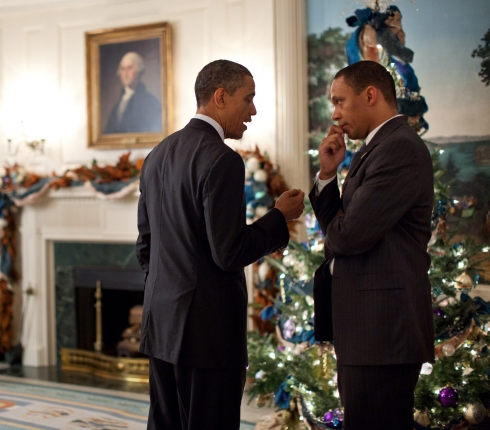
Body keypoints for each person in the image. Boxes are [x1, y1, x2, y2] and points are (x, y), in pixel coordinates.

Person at [136, 60, 305, 429]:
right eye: (249, 98)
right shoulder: (223, 159)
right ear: (221, 97)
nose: (253, 111)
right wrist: (279, 216)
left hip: (161, 324)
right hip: (207, 335)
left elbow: (145, 248)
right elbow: (229, 253)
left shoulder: (157, 154)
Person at [309, 60, 434, 429]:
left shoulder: (398, 148)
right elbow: (345, 230)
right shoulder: (375, 147)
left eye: (339, 102)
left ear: (370, 95)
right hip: (369, 332)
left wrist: (339, 231)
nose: (335, 114)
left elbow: (347, 235)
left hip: (383, 333)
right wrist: (328, 174)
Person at [104, 51, 162, 134]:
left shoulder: (150, 101)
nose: (125, 73)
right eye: (122, 69)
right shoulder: (118, 104)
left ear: (138, 71)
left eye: (129, 68)